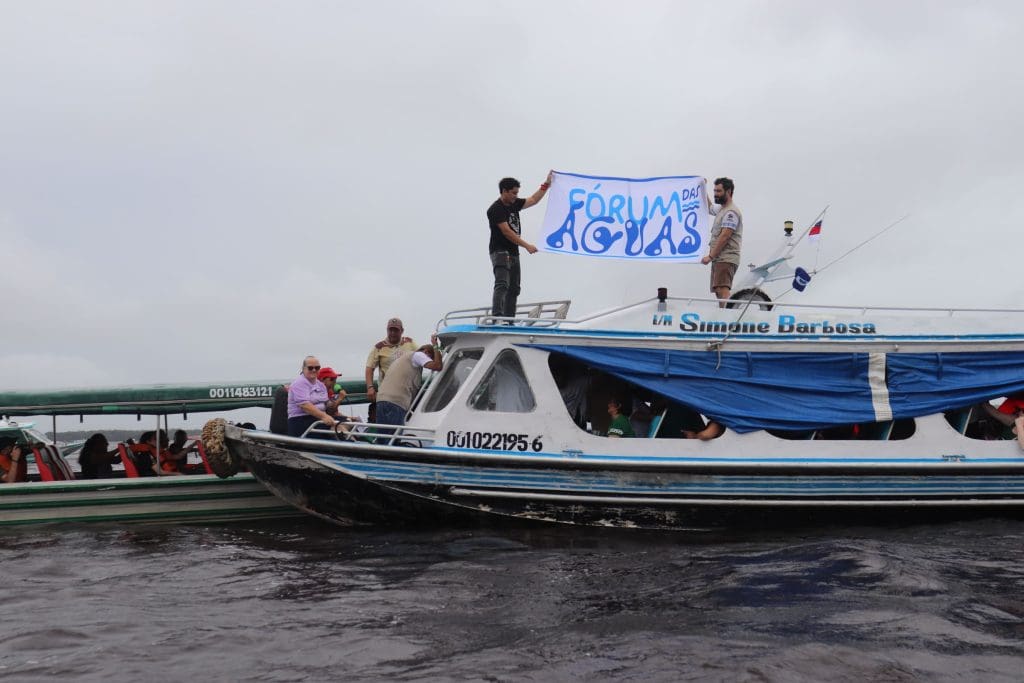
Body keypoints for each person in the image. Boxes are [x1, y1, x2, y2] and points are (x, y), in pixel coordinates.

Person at [487, 172, 552, 319]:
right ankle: (497, 317)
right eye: (513, 193)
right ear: (504, 191)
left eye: (517, 193)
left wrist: (546, 184)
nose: (516, 196)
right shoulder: (495, 209)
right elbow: (507, 232)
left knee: (514, 288)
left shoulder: (514, 204)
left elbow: (534, 200)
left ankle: (509, 318)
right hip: (500, 251)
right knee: (502, 283)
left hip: (513, 252)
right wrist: (527, 245)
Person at [375, 335, 444, 428]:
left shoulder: (403, 360)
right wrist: (435, 345)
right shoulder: (418, 355)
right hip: (396, 402)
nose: (428, 362)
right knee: (394, 435)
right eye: (430, 358)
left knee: (384, 435)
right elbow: (437, 366)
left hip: (381, 400)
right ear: (426, 352)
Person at [700, 177, 743, 307]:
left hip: (726, 257)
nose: (715, 194)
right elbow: (709, 207)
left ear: (728, 191)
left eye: (718, 191)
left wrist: (710, 256)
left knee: (722, 288)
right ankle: (723, 313)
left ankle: (726, 315)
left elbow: (725, 236)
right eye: (714, 191)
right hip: (719, 258)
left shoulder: (731, 212)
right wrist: (702, 188)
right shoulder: (721, 209)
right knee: (718, 290)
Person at [365, 318, 417, 423]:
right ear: (387, 330)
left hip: (407, 392)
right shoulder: (379, 347)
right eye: (390, 330)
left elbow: (422, 355)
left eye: (396, 330)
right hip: (388, 394)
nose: (392, 333)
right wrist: (370, 387)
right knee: (391, 427)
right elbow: (369, 368)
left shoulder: (410, 343)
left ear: (402, 331)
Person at [287, 355, 337, 437]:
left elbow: (326, 404)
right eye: (310, 368)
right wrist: (324, 416)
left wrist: (334, 403)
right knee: (336, 427)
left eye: (317, 368)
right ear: (303, 369)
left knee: (344, 423)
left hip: (317, 419)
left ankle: (352, 442)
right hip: (301, 420)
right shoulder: (299, 383)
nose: (314, 370)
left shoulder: (321, 385)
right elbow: (304, 405)